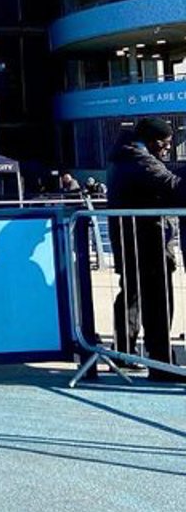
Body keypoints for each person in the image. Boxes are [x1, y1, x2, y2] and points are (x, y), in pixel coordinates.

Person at [106, 117, 186, 383]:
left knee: (132, 296)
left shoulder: (125, 156)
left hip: (134, 243)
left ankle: (124, 353)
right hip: (148, 244)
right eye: (164, 143)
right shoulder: (139, 159)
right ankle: (161, 363)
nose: (167, 149)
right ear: (151, 140)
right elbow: (173, 187)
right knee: (158, 303)